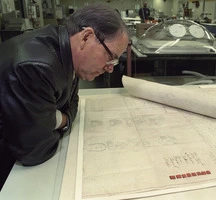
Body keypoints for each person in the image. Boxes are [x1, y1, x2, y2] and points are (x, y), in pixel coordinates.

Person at [0, 3, 129, 190]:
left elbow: (73, 100)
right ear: (86, 37)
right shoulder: (35, 67)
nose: (110, 68)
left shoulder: (67, 51)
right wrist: (64, 119)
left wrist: (57, 118)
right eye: (110, 57)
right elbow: (36, 150)